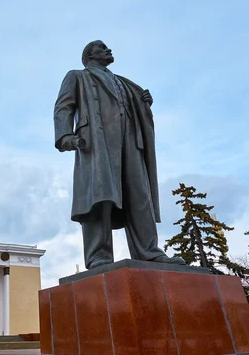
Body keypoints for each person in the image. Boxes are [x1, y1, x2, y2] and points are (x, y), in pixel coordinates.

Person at [54, 40, 185, 269]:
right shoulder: (77, 76)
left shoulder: (123, 83)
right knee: (99, 197)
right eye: (102, 47)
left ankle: (149, 251)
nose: (109, 50)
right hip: (97, 141)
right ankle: (99, 255)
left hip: (130, 142)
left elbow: (135, 110)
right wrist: (65, 135)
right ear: (89, 54)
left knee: (139, 195)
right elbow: (64, 106)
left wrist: (144, 105)